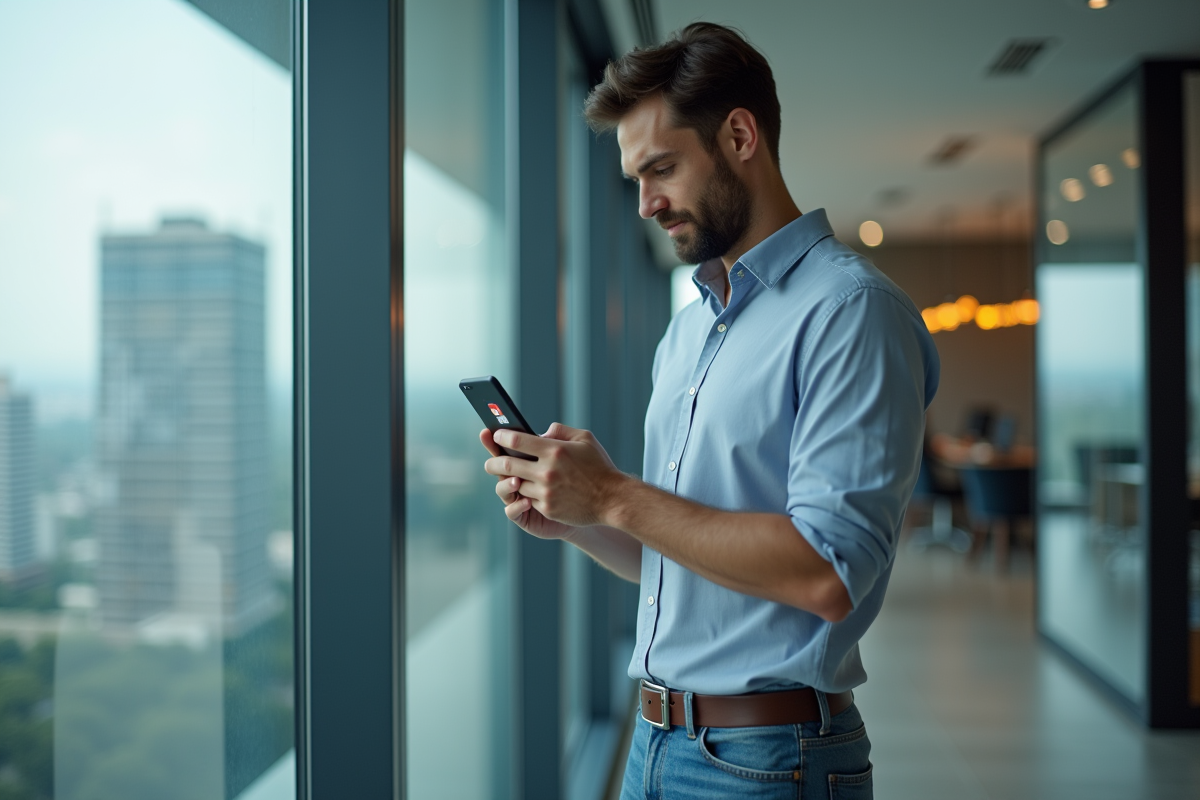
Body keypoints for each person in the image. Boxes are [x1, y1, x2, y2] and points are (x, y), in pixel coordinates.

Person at [479, 22, 939, 799]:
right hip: (654, 741)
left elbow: (829, 573)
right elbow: (686, 560)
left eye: (661, 168)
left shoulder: (850, 311)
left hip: (770, 760)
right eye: (633, 178)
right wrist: (583, 520)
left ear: (738, 135)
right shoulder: (690, 329)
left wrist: (618, 495)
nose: (645, 205)